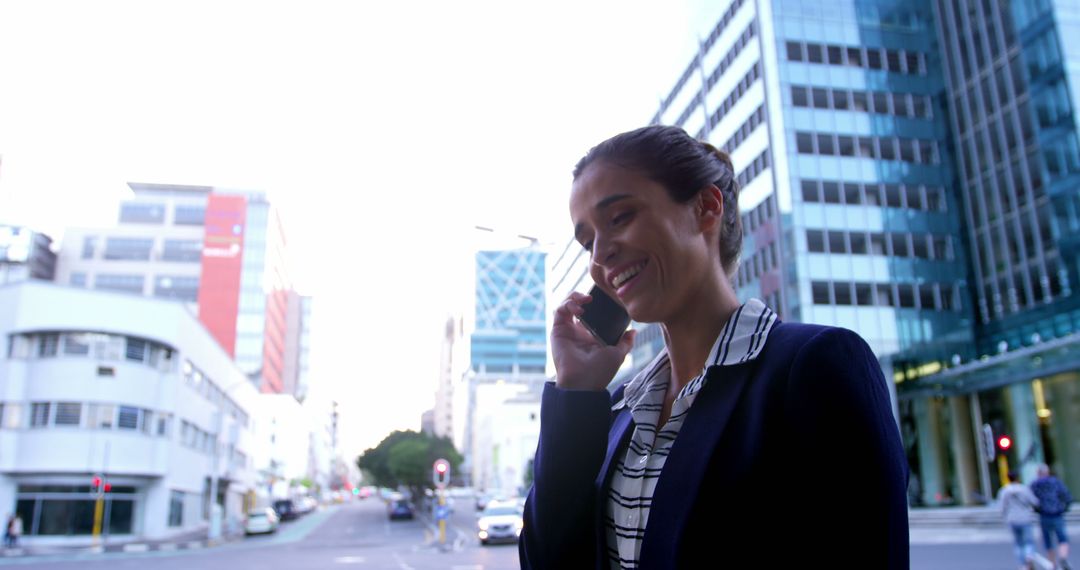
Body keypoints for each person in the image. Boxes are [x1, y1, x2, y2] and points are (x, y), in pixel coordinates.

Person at [519, 125, 909, 569]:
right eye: (588, 241)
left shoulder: (817, 365)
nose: (600, 255)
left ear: (706, 207)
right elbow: (548, 562)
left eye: (620, 218)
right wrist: (576, 392)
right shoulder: (617, 408)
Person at [1031, 464, 1073, 569]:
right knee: (1062, 539)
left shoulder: (1035, 484)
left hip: (1044, 515)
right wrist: (1064, 507)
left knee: (1048, 541)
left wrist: (1037, 509)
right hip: (1057, 514)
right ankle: (1063, 557)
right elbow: (1067, 496)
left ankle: (1052, 564)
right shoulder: (1055, 482)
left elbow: (1031, 500)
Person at [1000, 471, 1040, 570]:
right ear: (1018, 478)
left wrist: (1004, 518)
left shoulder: (1004, 490)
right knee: (1028, 541)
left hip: (1012, 519)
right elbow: (1034, 502)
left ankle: (1023, 565)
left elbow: (1002, 507)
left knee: (1018, 543)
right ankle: (1029, 556)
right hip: (1025, 518)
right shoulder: (1024, 489)